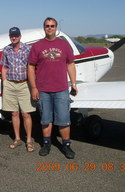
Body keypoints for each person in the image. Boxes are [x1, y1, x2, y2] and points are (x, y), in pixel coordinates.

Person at [27, 17, 78, 159]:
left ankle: (66, 146)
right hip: (43, 90)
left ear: (56, 27)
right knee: (45, 119)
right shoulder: (37, 46)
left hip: (61, 89)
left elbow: (70, 64)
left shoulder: (64, 45)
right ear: (44, 27)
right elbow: (30, 67)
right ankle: (46, 144)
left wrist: (73, 84)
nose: (50, 28)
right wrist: (33, 87)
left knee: (64, 120)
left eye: (52, 26)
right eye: (47, 26)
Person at [0, 27, 36, 152]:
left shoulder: (28, 49)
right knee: (14, 113)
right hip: (10, 83)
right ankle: (17, 138)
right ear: (10, 37)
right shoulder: (6, 49)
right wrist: (4, 83)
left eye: (16, 35)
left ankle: (29, 140)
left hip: (24, 84)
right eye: (12, 36)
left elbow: (32, 67)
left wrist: (33, 85)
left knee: (26, 114)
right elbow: (4, 67)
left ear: (20, 36)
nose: (14, 37)